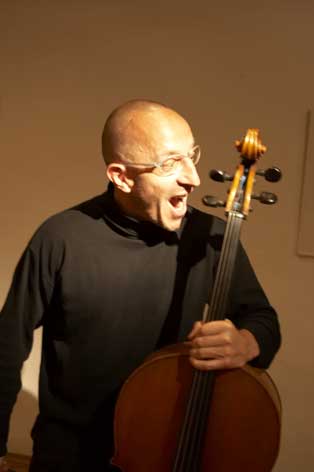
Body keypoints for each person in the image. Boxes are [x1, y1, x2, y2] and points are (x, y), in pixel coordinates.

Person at [0, 100, 281, 472]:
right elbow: (7, 347)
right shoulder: (61, 237)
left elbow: (263, 319)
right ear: (122, 176)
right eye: (169, 164)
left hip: (165, 450)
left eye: (191, 155)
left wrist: (248, 342)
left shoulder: (211, 236)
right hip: (69, 456)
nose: (193, 178)